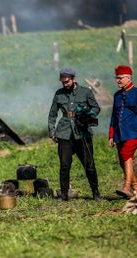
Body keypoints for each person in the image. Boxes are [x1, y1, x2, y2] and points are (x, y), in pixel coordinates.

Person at [48, 67, 101, 201]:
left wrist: (88, 115)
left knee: (89, 165)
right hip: (65, 132)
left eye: (67, 82)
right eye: (63, 82)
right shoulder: (59, 94)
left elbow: (96, 107)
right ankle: (64, 195)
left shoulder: (85, 92)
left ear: (73, 79)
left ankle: (96, 193)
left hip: (82, 132)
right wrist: (52, 132)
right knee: (65, 165)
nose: (65, 84)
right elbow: (52, 114)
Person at [108, 65, 137, 199]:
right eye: (117, 78)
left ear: (129, 78)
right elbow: (113, 116)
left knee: (126, 154)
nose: (118, 81)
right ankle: (136, 189)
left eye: (121, 78)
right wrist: (111, 135)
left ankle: (127, 187)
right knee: (123, 160)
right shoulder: (117, 95)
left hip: (134, 132)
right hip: (119, 133)